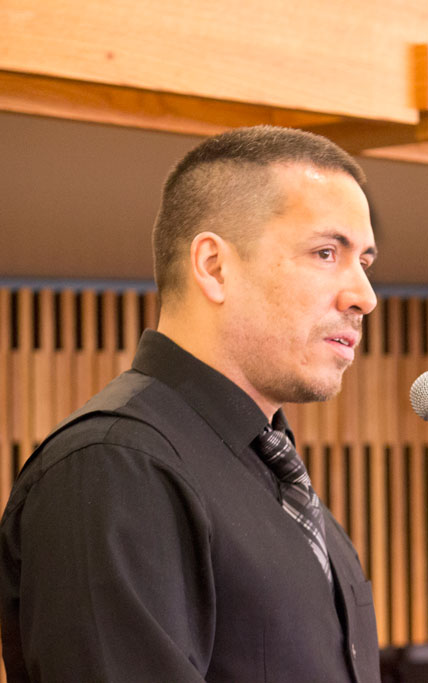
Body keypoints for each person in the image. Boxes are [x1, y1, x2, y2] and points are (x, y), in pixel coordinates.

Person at [0, 126, 381, 682]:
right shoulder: (115, 468)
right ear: (213, 266)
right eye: (327, 253)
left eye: (365, 263)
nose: (364, 297)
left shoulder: (272, 473)